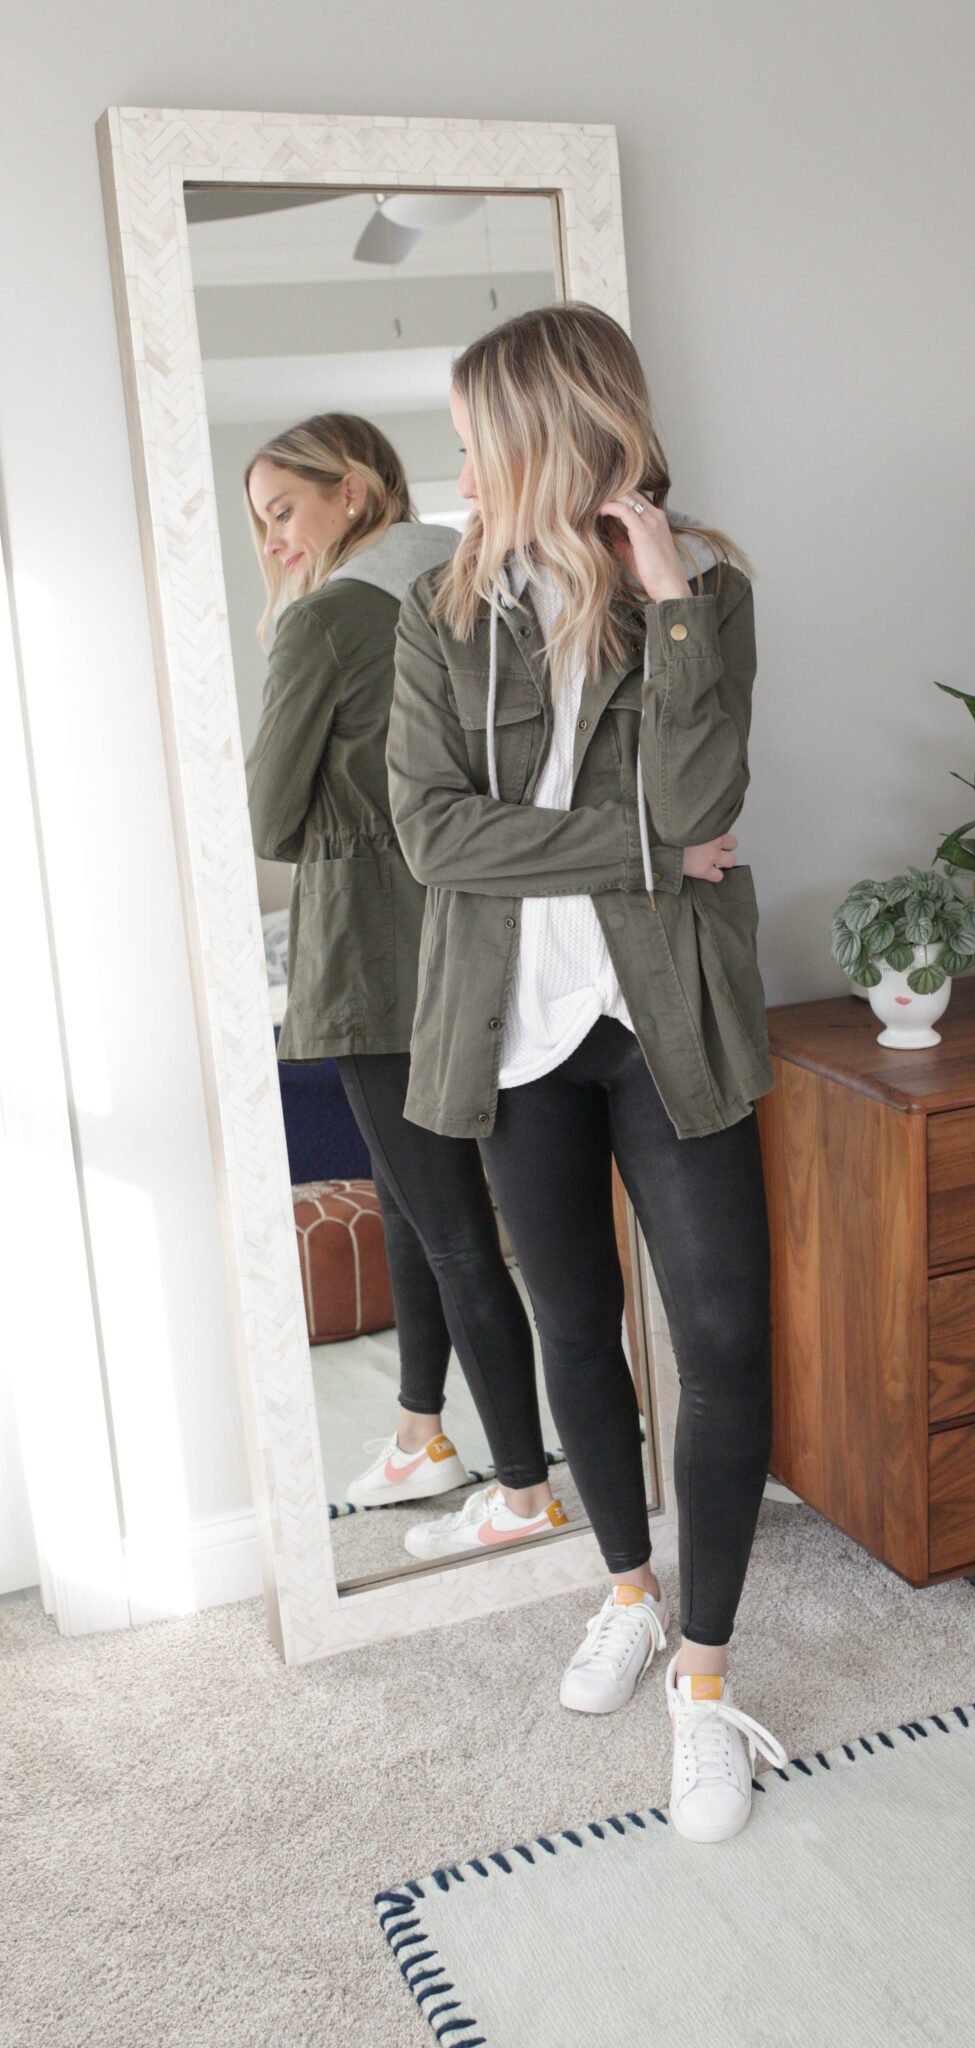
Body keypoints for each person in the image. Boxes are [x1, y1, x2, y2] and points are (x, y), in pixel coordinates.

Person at [386, 304, 788, 1843]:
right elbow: (436, 838)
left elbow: (707, 791)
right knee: (573, 1322)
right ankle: (626, 1588)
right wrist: (640, 855)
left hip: (665, 1018)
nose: (459, 463)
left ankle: (702, 1677)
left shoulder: (709, 588)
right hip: (510, 1028)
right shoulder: (440, 609)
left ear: (545, 429)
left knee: (725, 1336)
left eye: (474, 432)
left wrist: (671, 596)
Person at [243, 413, 562, 1541]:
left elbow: (270, 816)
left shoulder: (326, 618)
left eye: (285, 509)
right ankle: (423, 1434)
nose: (274, 539)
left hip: (373, 955)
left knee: (448, 1226)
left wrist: (358, 804)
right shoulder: (473, 580)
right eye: (260, 521)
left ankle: (521, 1483)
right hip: (481, 931)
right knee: (435, 1213)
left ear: (356, 489)